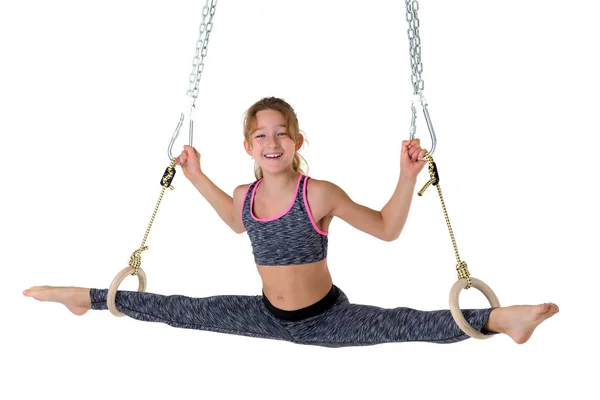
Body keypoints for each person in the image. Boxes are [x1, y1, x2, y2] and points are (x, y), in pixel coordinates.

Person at [23, 97, 558, 347]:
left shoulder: (317, 193)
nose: (272, 142)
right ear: (248, 146)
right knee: (180, 310)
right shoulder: (246, 194)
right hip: (265, 316)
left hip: (326, 319)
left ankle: (501, 319)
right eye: (261, 135)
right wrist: (194, 175)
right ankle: (84, 297)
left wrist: (405, 174)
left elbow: (387, 228)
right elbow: (236, 221)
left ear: (297, 142)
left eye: (281, 133)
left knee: (408, 324)